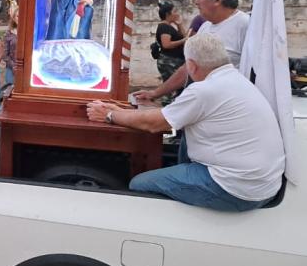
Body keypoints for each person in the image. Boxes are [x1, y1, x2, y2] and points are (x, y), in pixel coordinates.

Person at [86, 34, 284, 211]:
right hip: (258, 183)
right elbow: (170, 114)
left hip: (235, 188)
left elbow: (154, 124)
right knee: (188, 135)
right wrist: (123, 112)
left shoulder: (204, 90)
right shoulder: (234, 80)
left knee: (139, 184)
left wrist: (109, 116)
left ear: (191, 65)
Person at [134, 0, 249, 104]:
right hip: (206, 105)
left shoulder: (245, 25)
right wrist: (155, 93)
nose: (196, 1)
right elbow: (187, 68)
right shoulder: (205, 27)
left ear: (217, 0)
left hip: (229, 106)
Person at [155, 1, 190, 105]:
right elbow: (166, 44)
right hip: (169, 61)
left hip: (174, 60)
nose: (177, 13)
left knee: (173, 85)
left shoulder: (170, 27)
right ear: (168, 14)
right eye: (174, 11)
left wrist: (179, 25)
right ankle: (167, 107)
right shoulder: (163, 27)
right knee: (172, 85)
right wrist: (182, 41)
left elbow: (185, 37)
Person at [1, 18, 18, 85]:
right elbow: (4, 54)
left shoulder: (32, 32)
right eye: (17, 16)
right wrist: (13, 65)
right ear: (13, 18)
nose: (20, 18)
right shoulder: (8, 33)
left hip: (28, 68)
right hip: (11, 67)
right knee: (10, 88)